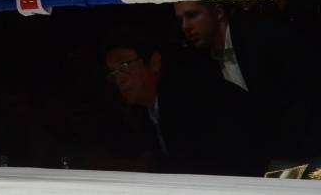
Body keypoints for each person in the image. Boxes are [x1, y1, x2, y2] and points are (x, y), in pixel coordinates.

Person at [103, 27, 267, 176]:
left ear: (154, 63)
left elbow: (199, 166)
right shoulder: (144, 112)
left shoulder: (191, 99)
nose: (119, 80)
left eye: (124, 67)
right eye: (113, 74)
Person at [173, 0, 321, 161]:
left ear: (218, 12)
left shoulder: (261, 35)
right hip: (264, 157)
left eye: (192, 15)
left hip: (306, 147)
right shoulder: (200, 62)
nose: (185, 26)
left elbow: (305, 95)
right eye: (180, 20)